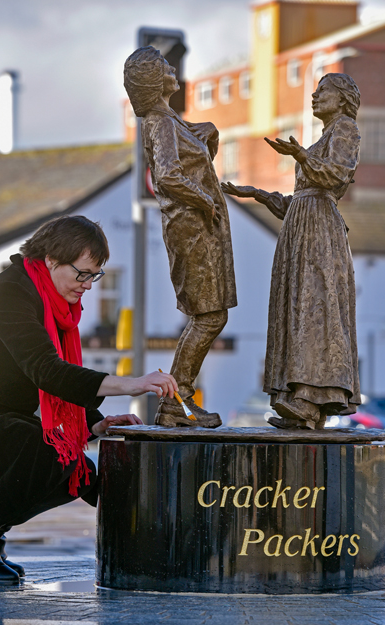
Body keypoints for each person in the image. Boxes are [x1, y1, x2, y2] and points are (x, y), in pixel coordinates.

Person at [0, 215, 177, 585]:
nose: (89, 286)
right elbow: (47, 371)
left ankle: (146, 551)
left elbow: (57, 380)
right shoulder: (9, 294)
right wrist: (133, 384)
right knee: (54, 460)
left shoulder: (53, 304)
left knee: (81, 474)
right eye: (83, 274)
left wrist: (96, 421)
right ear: (50, 259)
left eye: (96, 275)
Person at [223, 73, 361, 430]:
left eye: (323, 91)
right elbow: (298, 202)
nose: (315, 97)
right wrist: (256, 194)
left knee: (316, 307)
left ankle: (312, 398)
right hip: (302, 225)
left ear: (343, 99)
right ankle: (298, 398)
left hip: (319, 231)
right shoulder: (325, 136)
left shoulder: (345, 129)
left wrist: (298, 153)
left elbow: (334, 178)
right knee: (299, 307)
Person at [124, 46, 237, 428]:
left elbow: (194, 163)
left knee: (209, 315)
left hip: (200, 226)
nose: (173, 69)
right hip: (189, 227)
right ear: (155, 81)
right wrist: (205, 200)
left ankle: (179, 398)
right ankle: (177, 399)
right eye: (164, 66)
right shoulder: (159, 121)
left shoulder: (172, 120)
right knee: (209, 316)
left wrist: (210, 137)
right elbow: (168, 176)